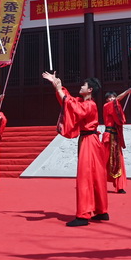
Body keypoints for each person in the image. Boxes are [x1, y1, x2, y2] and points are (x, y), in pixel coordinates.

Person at [42, 71, 108, 227]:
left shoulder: (90, 104)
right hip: (90, 140)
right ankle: (101, 210)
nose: (81, 86)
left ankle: (83, 215)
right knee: (95, 175)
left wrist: (59, 89)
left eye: (84, 85)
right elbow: (70, 101)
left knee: (85, 176)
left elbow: (75, 108)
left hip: (89, 141)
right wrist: (57, 86)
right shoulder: (83, 102)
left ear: (90, 89)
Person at [102, 88, 131, 194]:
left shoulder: (115, 107)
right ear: (106, 100)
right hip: (108, 137)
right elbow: (116, 102)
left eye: (113, 97)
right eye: (109, 97)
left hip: (115, 137)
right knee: (103, 161)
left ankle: (120, 186)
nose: (111, 99)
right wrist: (127, 92)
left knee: (119, 161)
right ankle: (97, 183)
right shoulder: (107, 106)